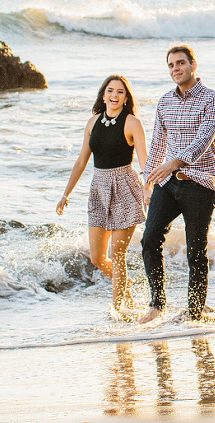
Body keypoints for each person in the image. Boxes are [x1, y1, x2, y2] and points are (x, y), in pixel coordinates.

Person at [137, 44, 215, 323]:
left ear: (193, 65)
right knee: (149, 240)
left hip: (200, 184)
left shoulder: (212, 100)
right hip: (167, 185)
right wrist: (147, 182)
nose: (176, 69)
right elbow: (158, 144)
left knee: (195, 250)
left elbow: (204, 140)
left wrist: (173, 163)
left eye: (181, 63)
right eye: (171, 65)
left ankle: (195, 313)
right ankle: (157, 304)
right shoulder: (164, 102)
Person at [56, 74, 149, 318]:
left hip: (125, 187)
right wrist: (66, 194)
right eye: (110, 91)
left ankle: (119, 313)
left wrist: (149, 188)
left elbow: (145, 161)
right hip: (99, 188)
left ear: (126, 97)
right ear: (103, 94)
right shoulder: (92, 122)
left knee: (117, 256)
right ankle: (125, 286)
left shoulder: (132, 123)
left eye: (120, 92)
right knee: (97, 258)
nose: (114, 95)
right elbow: (81, 161)